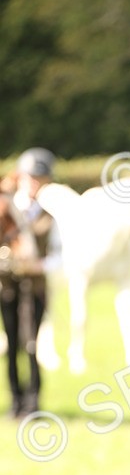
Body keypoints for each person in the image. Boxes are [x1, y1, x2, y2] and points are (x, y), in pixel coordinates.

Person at [0, 148, 60, 417]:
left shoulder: (49, 216)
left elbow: (59, 255)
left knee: (32, 343)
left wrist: (39, 265)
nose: (34, 183)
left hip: (35, 287)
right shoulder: (5, 211)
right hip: (8, 286)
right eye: (29, 178)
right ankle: (15, 399)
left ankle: (33, 401)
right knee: (12, 344)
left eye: (39, 178)